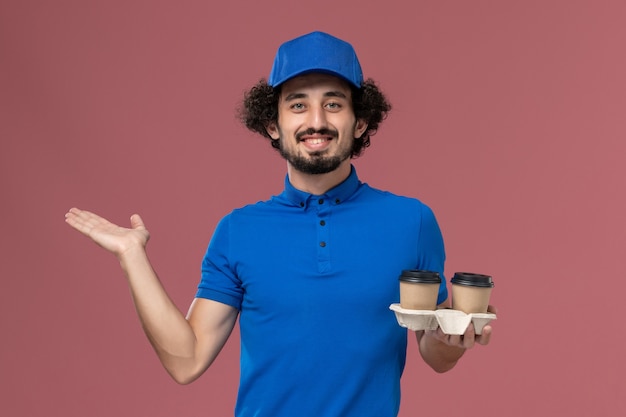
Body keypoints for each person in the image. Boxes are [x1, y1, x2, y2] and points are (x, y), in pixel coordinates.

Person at [65, 31, 496, 417]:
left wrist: (452, 338)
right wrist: (132, 257)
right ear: (273, 125)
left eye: (333, 103)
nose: (316, 121)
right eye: (297, 105)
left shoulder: (412, 221)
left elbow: (435, 353)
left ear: (359, 121)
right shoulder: (238, 231)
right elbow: (187, 360)